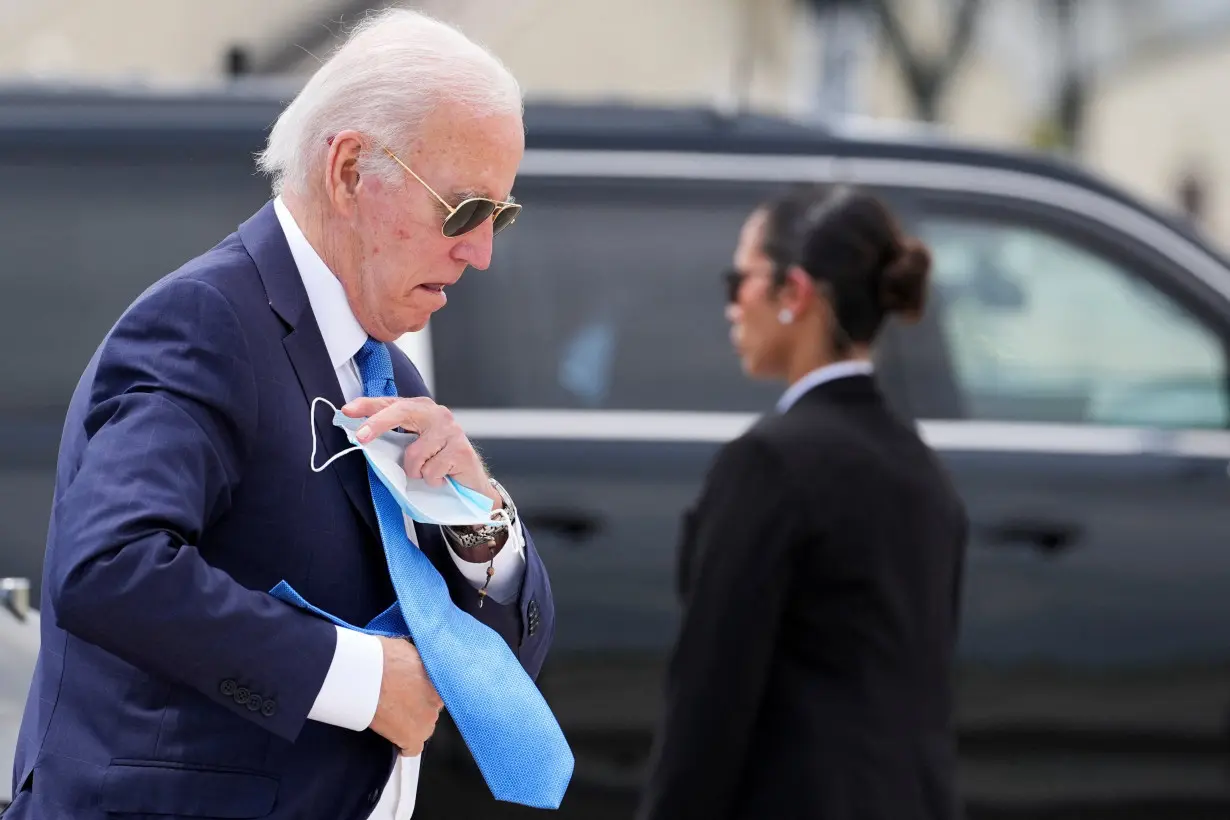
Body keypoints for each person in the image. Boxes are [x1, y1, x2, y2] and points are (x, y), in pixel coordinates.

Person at [7, 10, 567, 820]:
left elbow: (501, 666)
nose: (480, 250)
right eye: (463, 209)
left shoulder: (388, 369)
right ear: (349, 171)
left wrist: (477, 521)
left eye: (500, 216)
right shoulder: (207, 321)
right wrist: (361, 680)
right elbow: (109, 566)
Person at [637, 184, 969, 820]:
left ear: (795, 294)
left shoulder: (768, 466)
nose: (733, 305)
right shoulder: (925, 473)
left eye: (742, 279)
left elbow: (710, 705)